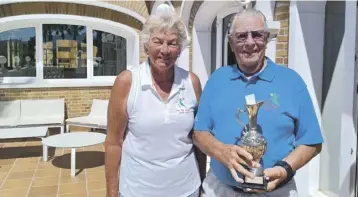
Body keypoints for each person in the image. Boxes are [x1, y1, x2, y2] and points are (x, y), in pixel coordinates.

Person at [192, 8, 324, 197]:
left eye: (257, 35)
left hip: (277, 191)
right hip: (221, 190)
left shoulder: (291, 82)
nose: (250, 42)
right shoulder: (217, 79)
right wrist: (221, 152)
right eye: (241, 36)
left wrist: (286, 168)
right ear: (231, 43)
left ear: (267, 38)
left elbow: (312, 142)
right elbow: (199, 133)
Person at [105, 4, 206, 197]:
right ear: (146, 45)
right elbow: (113, 143)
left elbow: (198, 140)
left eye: (173, 43)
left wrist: (201, 185)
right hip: (138, 190)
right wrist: (111, 193)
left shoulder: (191, 82)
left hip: (186, 189)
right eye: (158, 41)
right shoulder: (127, 82)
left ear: (180, 49)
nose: (165, 50)